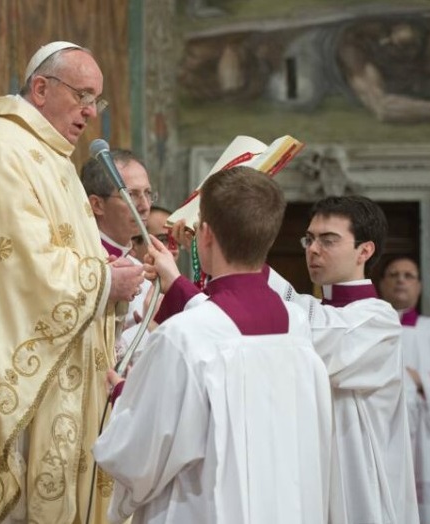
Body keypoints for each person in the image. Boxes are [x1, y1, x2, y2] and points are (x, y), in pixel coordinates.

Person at [0, 41, 144, 523]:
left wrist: (112, 282)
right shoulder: (1, 149)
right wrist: (105, 281)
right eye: (83, 94)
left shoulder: (53, 158)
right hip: (13, 379)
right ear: (40, 88)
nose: (90, 112)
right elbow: (19, 269)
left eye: (97, 100)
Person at [93, 166, 332, 523]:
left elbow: (137, 457)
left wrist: (125, 396)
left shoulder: (184, 337)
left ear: (205, 234)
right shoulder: (296, 326)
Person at [264, 195, 419, 523]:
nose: (313, 249)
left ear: (365, 250)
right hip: (302, 476)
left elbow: (313, 334)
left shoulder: (379, 321)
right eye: (310, 239)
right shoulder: (320, 310)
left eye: (328, 240)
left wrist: (242, 263)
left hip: (355, 489)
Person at [80, 149, 155, 362]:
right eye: (131, 195)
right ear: (97, 205)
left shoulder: (139, 267)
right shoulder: (82, 267)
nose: (145, 206)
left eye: (148, 193)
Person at [378, 256, 430, 521]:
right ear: (381, 284)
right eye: (394, 274)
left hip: (425, 438)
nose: (401, 279)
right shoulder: (371, 329)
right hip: (381, 432)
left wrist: (421, 382)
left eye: (409, 275)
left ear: (420, 286)